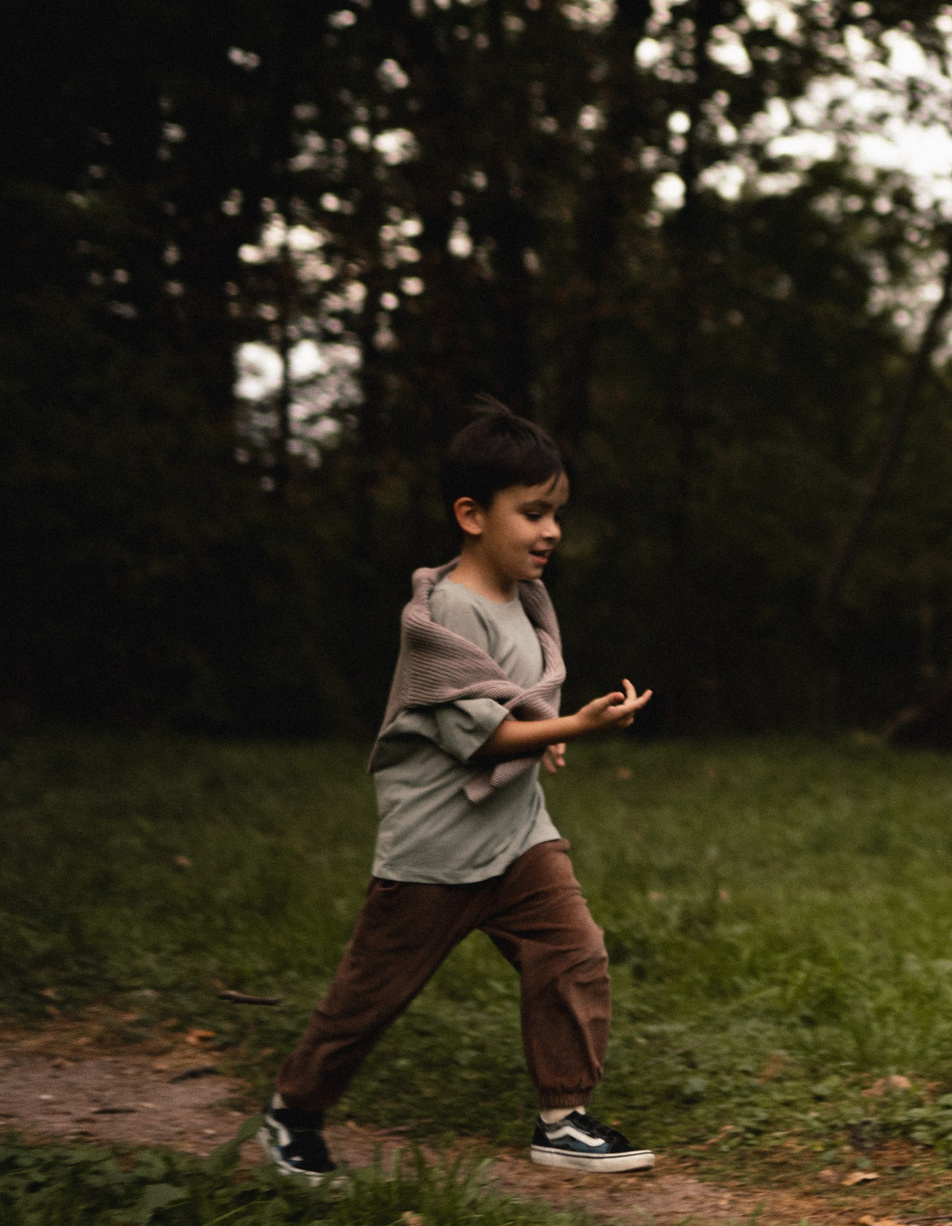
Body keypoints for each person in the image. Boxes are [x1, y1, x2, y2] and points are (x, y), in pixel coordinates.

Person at [256, 399, 657, 1183]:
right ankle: (294, 1112)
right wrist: (570, 727)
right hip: (435, 852)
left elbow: (510, 706)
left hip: (516, 840)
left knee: (573, 953)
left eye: (556, 514)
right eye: (533, 513)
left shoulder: (524, 602)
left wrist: (545, 737)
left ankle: (562, 1118)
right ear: (471, 514)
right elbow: (480, 732)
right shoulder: (441, 613)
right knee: (370, 995)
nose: (551, 532)